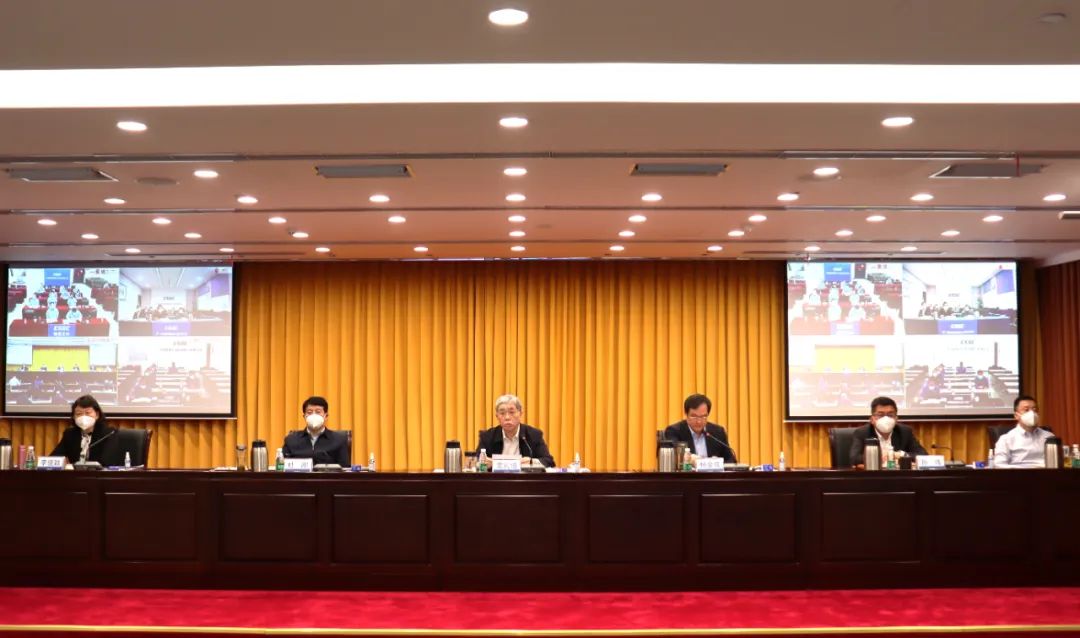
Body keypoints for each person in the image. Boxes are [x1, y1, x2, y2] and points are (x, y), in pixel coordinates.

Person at [475, 394, 556, 467]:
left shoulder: (533, 435)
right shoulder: (487, 436)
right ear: (497, 416)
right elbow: (476, 461)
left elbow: (548, 462)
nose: (507, 417)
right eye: (502, 413)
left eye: (512, 412)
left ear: (520, 413)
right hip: (496, 478)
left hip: (524, 478)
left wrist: (531, 462)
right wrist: (483, 463)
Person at [849, 396, 927, 466]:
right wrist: (879, 456)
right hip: (873, 475)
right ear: (872, 419)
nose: (886, 419)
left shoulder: (905, 432)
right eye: (880, 415)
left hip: (899, 475)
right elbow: (854, 458)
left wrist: (899, 455)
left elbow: (923, 455)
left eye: (890, 415)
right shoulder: (862, 433)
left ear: (896, 419)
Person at [50, 394, 124, 465]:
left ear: (97, 415)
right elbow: (54, 458)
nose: (83, 417)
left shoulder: (108, 434)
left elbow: (107, 461)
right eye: (79, 413)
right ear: (74, 416)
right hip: (76, 473)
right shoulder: (70, 434)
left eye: (88, 413)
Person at [663, 394, 737, 463]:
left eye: (703, 416)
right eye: (694, 416)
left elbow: (731, 460)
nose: (699, 421)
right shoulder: (674, 431)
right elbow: (674, 456)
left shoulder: (718, 432)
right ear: (686, 414)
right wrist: (691, 459)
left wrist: (718, 462)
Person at [282, 396, 351, 466]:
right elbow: (282, 467)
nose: (314, 415)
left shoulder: (338, 440)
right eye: (309, 412)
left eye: (318, 412)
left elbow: (345, 469)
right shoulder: (291, 440)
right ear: (304, 416)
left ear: (326, 416)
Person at [994, 395, 1053, 468]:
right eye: (1026, 410)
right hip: (1019, 474)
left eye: (1034, 410)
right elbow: (999, 465)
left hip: (1046, 473)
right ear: (1016, 415)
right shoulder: (1006, 439)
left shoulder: (1049, 437)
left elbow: (1058, 461)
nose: (1032, 413)